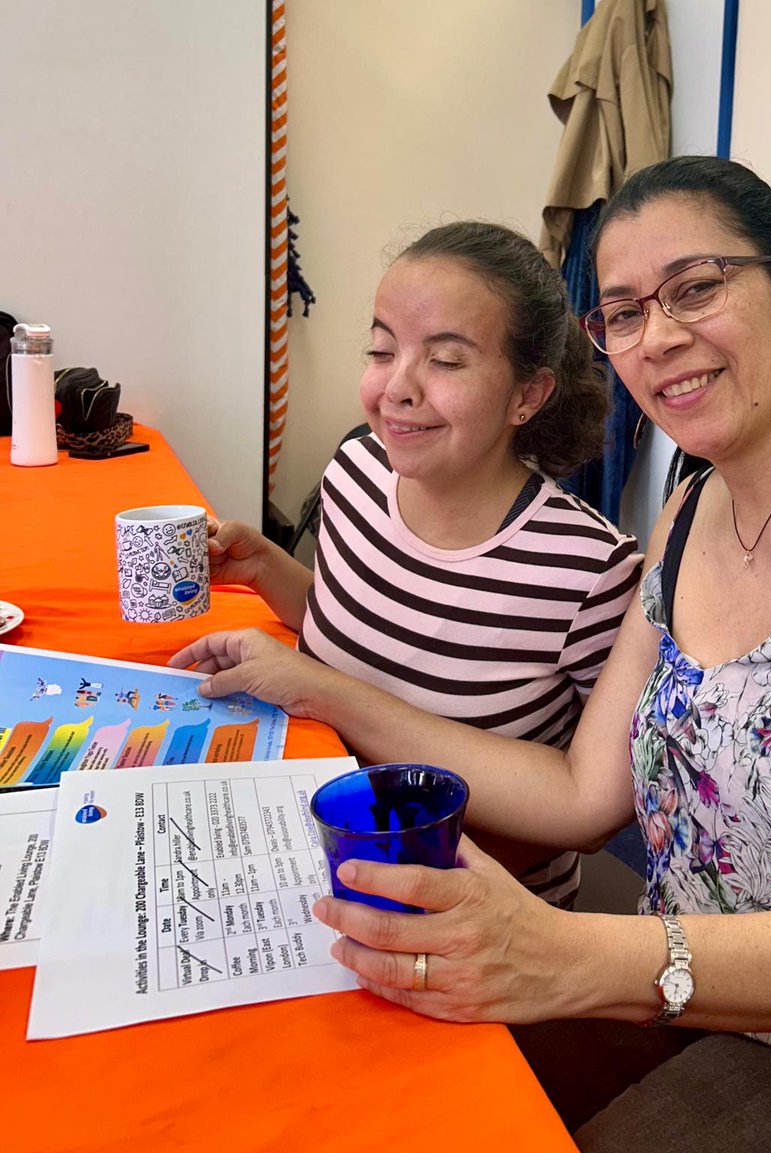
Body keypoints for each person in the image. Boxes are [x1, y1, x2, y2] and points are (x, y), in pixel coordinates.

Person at [175, 158, 771, 1153]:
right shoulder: (689, 515)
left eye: (697, 288)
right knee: (359, 1091)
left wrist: (570, 953)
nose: (660, 335)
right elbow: (576, 790)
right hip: (700, 999)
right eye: (623, 311)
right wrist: (319, 686)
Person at [174, 221, 643, 908]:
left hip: (472, 910)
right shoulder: (356, 469)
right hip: (305, 856)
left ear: (527, 394)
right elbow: (370, 635)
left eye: (446, 361)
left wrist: (317, 690)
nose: (397, 386)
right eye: (381, 349)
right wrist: (268, 571)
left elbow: (589, 802)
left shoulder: (589, 571)